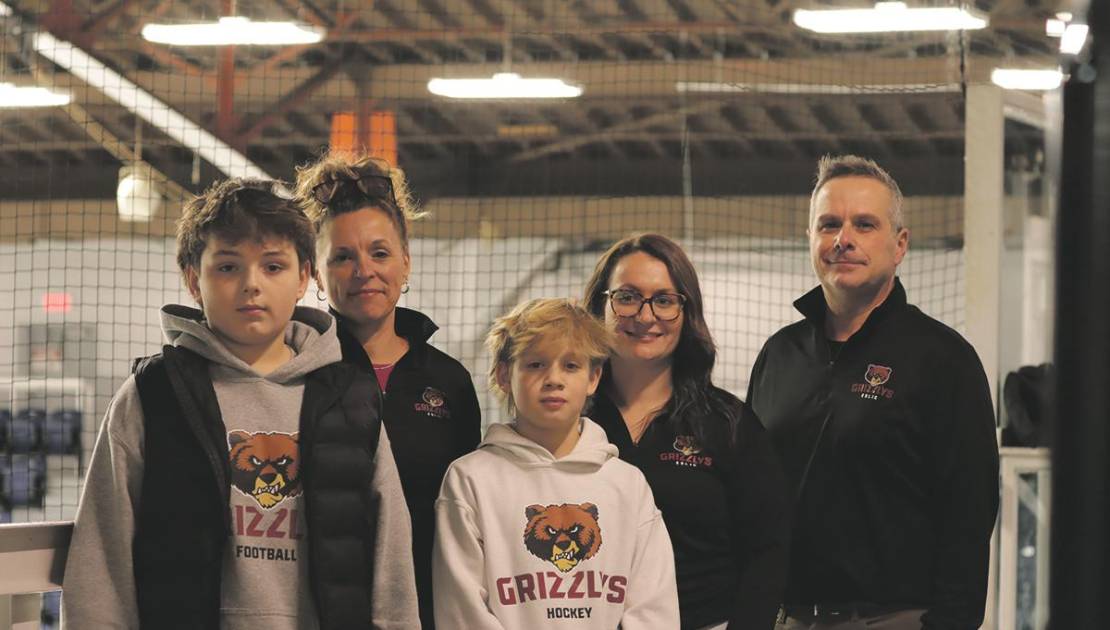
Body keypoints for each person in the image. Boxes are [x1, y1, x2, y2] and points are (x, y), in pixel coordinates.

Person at [62, 178, 419, 629]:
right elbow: (102, 555)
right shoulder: (154, 394)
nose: (252, 285)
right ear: (195, 280)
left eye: (273, 267)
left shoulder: (349, 399)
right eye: (228, 268)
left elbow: (391, 557)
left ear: (304, 278)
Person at [746, 155, 999, 630]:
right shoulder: (779, 355)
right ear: (811, 239)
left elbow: (969, 515)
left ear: (899, 244)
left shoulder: (944, 359)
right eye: (828, 225)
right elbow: (754, 500)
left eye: (864, 224)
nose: (843, 239)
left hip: (895, 618)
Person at [294, 153, 482, 629]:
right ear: (316, 274)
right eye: (342, 257)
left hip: (428, 607)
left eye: (379, 253)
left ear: (405, 262)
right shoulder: (297, 373)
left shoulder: (449, 382)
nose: (364, 270)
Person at [583, 233, 789, 630]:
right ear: (599, 307)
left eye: (664, 300)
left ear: (686, 312)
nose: (645, 317)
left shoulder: (728, 423)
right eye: (626, 297)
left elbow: (768, 550)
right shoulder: (570, 423)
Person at [433, 298, 680, 629]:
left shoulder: (628, 485)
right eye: (535, 364)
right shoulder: (470, 479)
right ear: (505, 375)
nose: (553, 379)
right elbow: (461, 612)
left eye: (571, 366)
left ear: (593, 377)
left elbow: (654, 611)